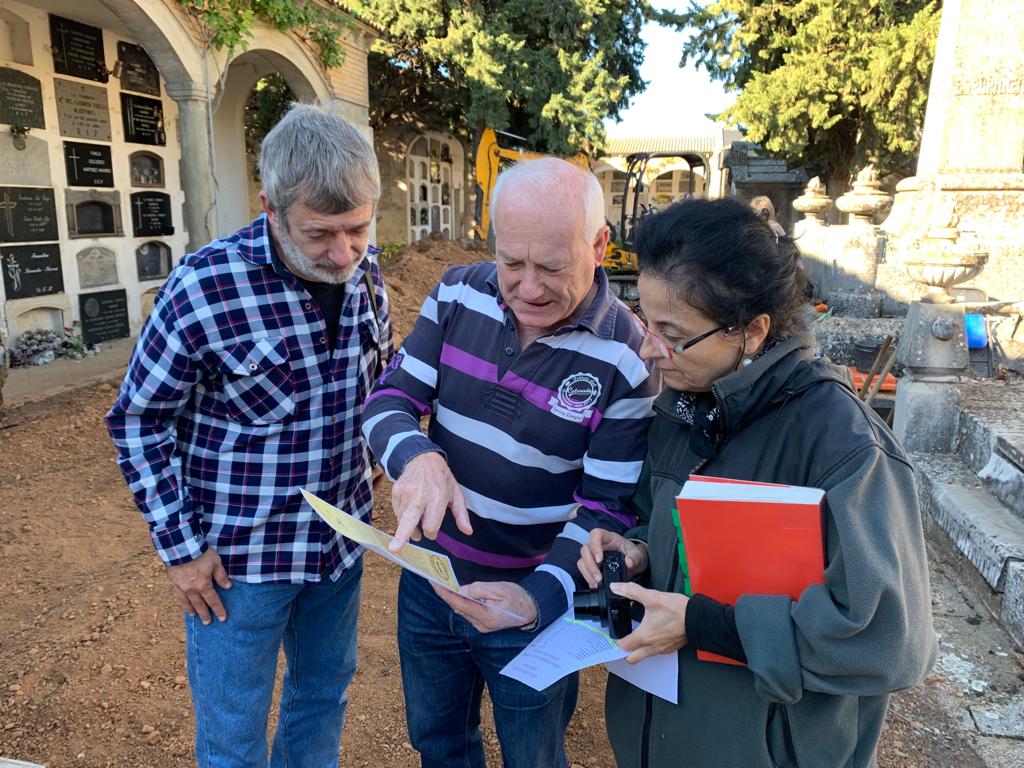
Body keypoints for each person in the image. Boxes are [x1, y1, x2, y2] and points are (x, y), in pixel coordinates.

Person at [577, 197, 937, 768]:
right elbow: (668, 520)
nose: (649, 348)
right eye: (645, 321)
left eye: (671, 332)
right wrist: (639, 549)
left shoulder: (841, 442)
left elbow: (888, 641)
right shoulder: (683, 406)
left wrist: (703, 626)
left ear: (751, 332)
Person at [106, 102, 391, 768]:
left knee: (322, 697)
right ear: (270, 205)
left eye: (358, 228)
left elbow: (379, 373)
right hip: (238, 565)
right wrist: (180, 549)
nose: (343, 253)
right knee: (234, 735)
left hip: (340, 546)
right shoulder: (203, 287)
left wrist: (377, 452)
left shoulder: (366, 274)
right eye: (321, 234)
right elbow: (139, 420)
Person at [362, 157, 659, 768]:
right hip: (434, 583)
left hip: (535, 601)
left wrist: (537, 601)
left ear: (599, 245)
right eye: (511, 262)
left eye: (551, 266)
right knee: (437, 743)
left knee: (534, 755)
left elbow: (607, 508)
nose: (528, 288)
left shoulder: (628, 357)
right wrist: (416, 456)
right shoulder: (456, 292)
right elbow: (389, 402)